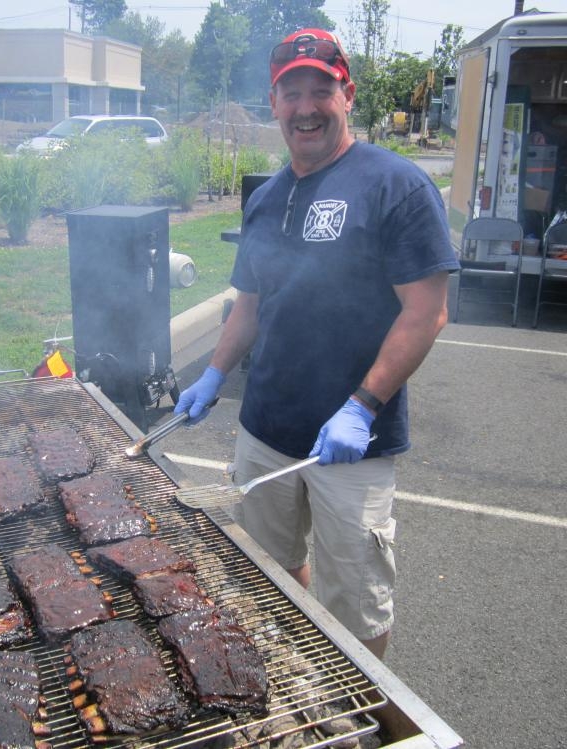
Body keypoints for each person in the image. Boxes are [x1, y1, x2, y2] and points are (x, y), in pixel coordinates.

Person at [174, 28, 459, 659]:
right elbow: (248, 303)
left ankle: (367, 719)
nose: (306, 106)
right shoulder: (268, 198)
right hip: (265, 428)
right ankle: (308, 664)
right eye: (291, 92)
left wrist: (362, 407)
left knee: (356, 601)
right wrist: (215, 377)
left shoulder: (396, 186)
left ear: (347, 94)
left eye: (320, 90)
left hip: (353, 442)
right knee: (269, 570)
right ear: (273, 104)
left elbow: (426, 311)